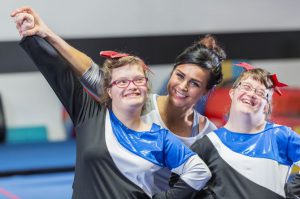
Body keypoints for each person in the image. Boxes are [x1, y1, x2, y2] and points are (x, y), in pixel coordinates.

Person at [11, 6, 226, 192]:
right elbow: (92, 74)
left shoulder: (207, 136)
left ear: (207, 91)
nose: (182, 87)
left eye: (195, 84)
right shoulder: (138, 103)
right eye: (179, 76)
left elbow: (215, 183)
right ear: (172, 72)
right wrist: (47, 34)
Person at [184, 63, 300, 199]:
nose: (251, 94)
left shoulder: (280, 136)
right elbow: (181, 184)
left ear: (266, 107)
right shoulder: (208, 143)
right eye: (246, 87)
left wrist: (291, 194)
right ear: (232, 92)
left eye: (261, 93)